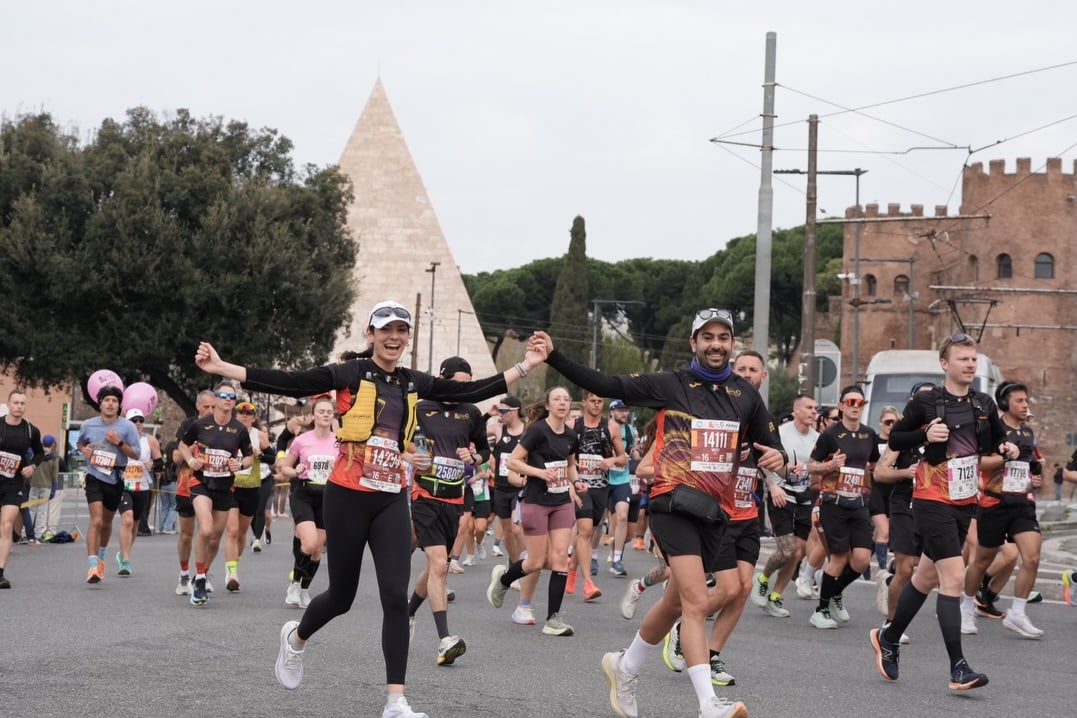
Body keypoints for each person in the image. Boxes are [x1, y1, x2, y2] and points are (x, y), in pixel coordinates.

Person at [195, 299, 542, 718]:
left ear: (406, 338)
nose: (394, 338)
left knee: (395, 597)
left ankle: (396, 700)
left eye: (401, 331)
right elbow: (289, 381)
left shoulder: (414, 382)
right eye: (386, 330)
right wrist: (222, 368)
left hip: (391, 497)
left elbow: (472, 390)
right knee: (341, 596)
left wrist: (526, 365)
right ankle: (295, 639)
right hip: (346, 495)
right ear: (371, 334)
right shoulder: (350, 373)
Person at [531, 308, 783, 718]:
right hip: (672, 504)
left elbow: (772, 447)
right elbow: (606, 383)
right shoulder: (672, 384)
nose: (716, 344)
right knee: (698, 601)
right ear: (693, 343)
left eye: (723, 337)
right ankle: (708, 705)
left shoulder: (747, 396)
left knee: (673, 604)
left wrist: (778, 457)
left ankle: (625, 666)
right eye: (708, 337)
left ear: (731, 342)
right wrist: (556, 357)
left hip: (716, 514)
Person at [870, 332, 1018, 691]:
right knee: (952, 577)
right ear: (945, 364)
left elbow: (997, 438)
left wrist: (1007, 446)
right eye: (963, 358)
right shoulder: (926, 403)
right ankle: (958, 668)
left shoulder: (982, 403)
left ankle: (888, 637)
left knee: (925, 577)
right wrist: (925, 436)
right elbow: (895, 441)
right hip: (930, 498)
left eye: (973, 359)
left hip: (965, 501)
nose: (970, 364)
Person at [664, 349, 783, 686]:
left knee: (743, 588)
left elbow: (778, 460)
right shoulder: (715, 408)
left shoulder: (761, 416)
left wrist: (781, 466)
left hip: (749, 513)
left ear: (763, 377)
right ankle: (685, 626)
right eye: (741, 367)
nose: (746, 374)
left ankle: (712, 653)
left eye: (753, 369)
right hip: (718, 514)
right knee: (728, 587)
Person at [406, 355, 490, 665]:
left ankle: (408, 611)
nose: (463, 392)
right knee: (440, 564)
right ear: (441, 379)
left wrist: (474, 457)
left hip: (455, 498)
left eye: (467, 387)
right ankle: (445, 639)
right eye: (457, 385)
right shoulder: (420, 407)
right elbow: (400, 440)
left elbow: (483, 450)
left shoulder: (472, 413)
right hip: (425, 493)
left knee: (434, 568)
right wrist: (414, 454)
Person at [486, 386, 583, 637]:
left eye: (566, 399)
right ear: (548, 406)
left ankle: (553, 619)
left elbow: (570, 465)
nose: (562, 403)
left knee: (562, 557)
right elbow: (513, 462)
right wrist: (540, 473)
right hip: (536, 500)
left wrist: (577, 481)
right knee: (536, 561)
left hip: (561, 500)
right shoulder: (538, 431)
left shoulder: (572, 436)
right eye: (556, 399)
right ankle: (505, 580)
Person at [961, 381, 1045, 639]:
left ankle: (1017, 613)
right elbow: (979, 463)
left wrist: (1034, 478)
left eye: (1026, 401)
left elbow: (1028, 468)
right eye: (1020, 401)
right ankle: (965, 606)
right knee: (982, 560)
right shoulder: (992, 430)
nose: (1025, 405)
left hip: (1022, 504)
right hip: (994, 503)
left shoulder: (1028, 433)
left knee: (1031, 557)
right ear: (1006, 404)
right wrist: (1005, 458)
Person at [807, 385, 880, 629]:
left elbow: (873, 466)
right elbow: (810, 466)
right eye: (850, 402)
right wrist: (830, 466)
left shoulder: (870, 435)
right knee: (838, 557)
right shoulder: (830, 435)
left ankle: (834, 591)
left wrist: (869, 489)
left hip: (858, 503)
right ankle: (821, 610)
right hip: (833, 503)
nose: (855, 407)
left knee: (860, 560)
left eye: (860, 403)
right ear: (841, 406)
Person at [178, 381, 254, 605]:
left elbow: (249, 456)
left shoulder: (239, 429)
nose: (228, 400)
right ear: (217, 399)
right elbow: (183, 445)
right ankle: (200, 580)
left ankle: (202, 571)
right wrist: (191, 459)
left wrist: (239, 464)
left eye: (232, 397)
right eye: (223, 396)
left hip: (225, 487)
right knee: (207, 528)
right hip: (200, 483)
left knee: (215, 538)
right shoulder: (201, 425)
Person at [873, 381, 935, 644]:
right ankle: (891, 623)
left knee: (928, 569)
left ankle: (889, 581)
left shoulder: (944, 432)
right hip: (904, 504)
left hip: (932, 505)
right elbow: (879, 471)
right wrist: (905, 472)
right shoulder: (903, 433)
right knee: (906, 568)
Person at [752, 392, 818, 615]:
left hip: (804, 496)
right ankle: (762, 577)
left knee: (798, 553)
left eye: (815, 408)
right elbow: (760, 461)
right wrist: (772, 486)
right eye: (809, 408)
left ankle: (776, 596)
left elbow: (816, 468)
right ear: (796, 410)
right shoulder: (780, 434)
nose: (813, 412)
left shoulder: (817, 438)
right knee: (788, 550)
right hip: (782, 494)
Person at [77, 385, 142, 584]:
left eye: (114, 401)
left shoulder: (127, 427)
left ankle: (102, 557)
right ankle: (92, 566)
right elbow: (81, 444)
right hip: (95, 476)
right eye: (107, 400)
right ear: (100, 403)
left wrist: (119, 443)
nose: (110, 404)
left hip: (116, 478)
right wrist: (85, 450)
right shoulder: (88, 425)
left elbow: (136, 454)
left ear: (119, 405)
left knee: (106, 523)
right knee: (95, 521)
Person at [277, 396, 336, 608]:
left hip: (328, 497)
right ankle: (294, 585)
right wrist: (296, 470)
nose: (325, 415)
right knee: (309, 543)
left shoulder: (339, 441)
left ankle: (303, 589)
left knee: (318, 548)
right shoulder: (303, 440)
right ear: (312, 415)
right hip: (304, 493)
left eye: (329, 412)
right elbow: (284, 467)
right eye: (321, 411)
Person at [567, 392, 625, 601]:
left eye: (600, 401)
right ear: (583, 402)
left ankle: (571, 567)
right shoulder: (574, 425)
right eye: (592, 401)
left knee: (589, 533)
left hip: (601, 486)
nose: (596, 404)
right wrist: (571, 484)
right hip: (581, 486)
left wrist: (611, 462)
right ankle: (588, 583)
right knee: (584, 531)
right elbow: (566, 458)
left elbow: (623, 458)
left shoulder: (611, 427)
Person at [224, 400, 273, 591]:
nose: (244, 417)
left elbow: (273, 457)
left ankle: (233, 563)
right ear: (236, 415)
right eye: (241, 413)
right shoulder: (228, 432)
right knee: (232, 531)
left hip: (252, 487)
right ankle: (232, 573)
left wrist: (258, 454)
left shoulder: (259, 435)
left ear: (253, 417)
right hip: (232, 486)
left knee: (242, 533)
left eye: (248, 414)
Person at [0, 389, 45, 588]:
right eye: (15, 402)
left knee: (7, 525)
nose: (19, 406)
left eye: (22, 403)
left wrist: (32, 466)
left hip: (14, 483)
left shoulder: (30, 430)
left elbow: (40, 454)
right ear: (8, 404)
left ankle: (0, 573)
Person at [173, 389, 216, 595]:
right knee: (187, 535)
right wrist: (193, 449)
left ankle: (202, 574)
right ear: (198, 406)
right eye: (206, 406)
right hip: (185, 485)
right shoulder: (188, 425)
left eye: (213, 407)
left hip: (210, 486)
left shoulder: (220, 427)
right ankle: (183, 574)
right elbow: (175, 456)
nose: (209, 410)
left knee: (208, 533)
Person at [116, 408, 162, 576]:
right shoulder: (120, 440)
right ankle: (126, 561)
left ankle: (124, 552)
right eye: (134, 421)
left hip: (142, 487)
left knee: (135, 524)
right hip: (124, 486)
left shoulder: (150, 441)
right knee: (127, 520)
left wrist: (154, 466)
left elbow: (159, 464)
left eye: (141, 420)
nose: (138, 424)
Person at [606, 399, 636, 577]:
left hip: (622, 479)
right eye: (619, 410)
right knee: (597, 521)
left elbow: (632, 450)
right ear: (612, 412)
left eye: (625, 410)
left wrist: (634, 453)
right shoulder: (604, 428)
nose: (623, 413)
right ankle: (593, 556)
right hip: (603, 478)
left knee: (623, 516)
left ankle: (617, 559)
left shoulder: (631, 431)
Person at [28, 434, 64, 542]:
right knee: (42, 511)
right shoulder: (53, 458)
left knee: (31, 509)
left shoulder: (35, 454)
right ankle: (38, 534)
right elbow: (54, 475)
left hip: (34, 484)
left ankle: (27, 533)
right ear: (53, 444)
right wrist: (54, 487)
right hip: (47, 486)